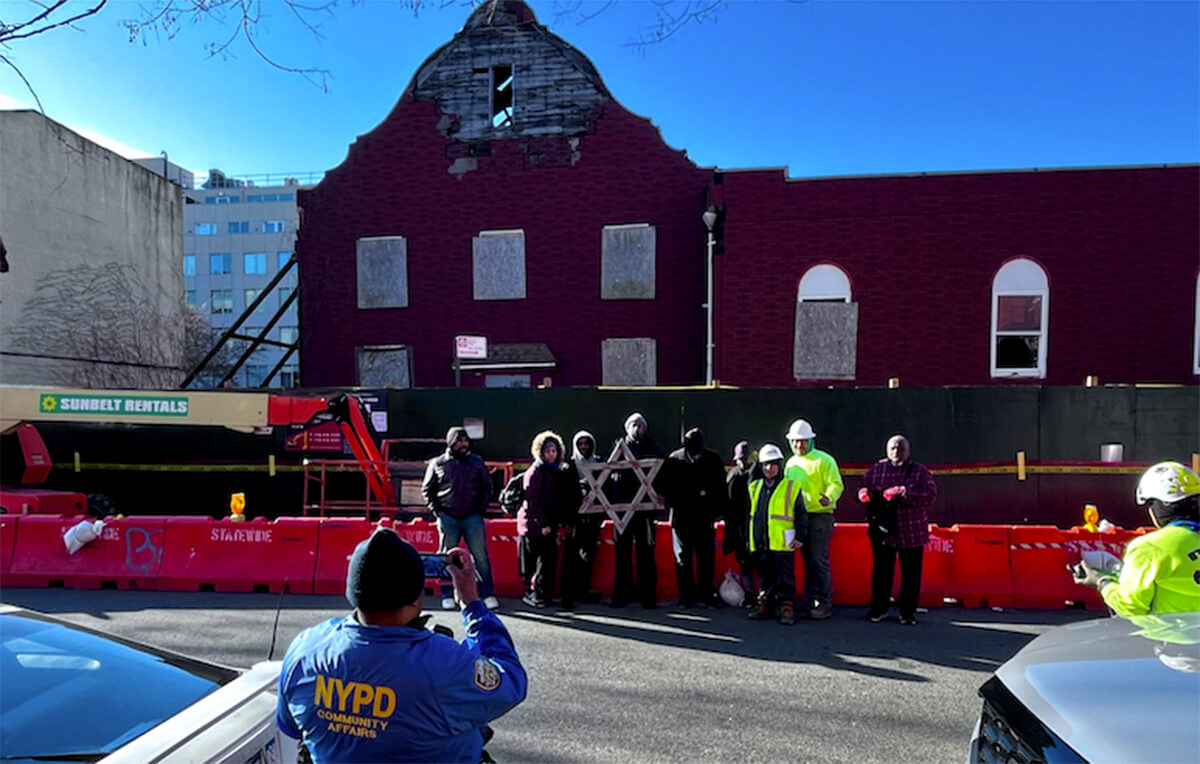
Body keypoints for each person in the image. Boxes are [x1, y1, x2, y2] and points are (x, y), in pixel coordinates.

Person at [276, 530, 527, 763]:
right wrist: (472, 606)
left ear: (353, 591)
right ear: (417, 599)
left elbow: (290, 726)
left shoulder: (305, 649)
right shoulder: (448, 664)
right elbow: (511, 681)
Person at [1074, 461, 1200, 617]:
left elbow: (1130, 606)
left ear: (1156, 506)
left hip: (1171, 638)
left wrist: (1102, 582)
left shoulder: (1149, 548)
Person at [857, 434, 939, 625]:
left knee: (911, 575)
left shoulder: (919, 471)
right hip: (884, 530)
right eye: (893, 448)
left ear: (908, 451)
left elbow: (931, 495)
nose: (896, 452)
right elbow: (862, 485)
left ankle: (907, 612)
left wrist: (905, 493)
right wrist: (862, 493)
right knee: (881, 572)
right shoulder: (877, 469)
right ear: (887, 450)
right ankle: (878, 609)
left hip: (912, 531)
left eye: (900, 448)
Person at [422, 426, 500, 610]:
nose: (463, 444)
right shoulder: (438, 462)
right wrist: (438, 512)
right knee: (446, 558)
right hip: (447, 517)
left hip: (473, 517)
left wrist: (480, 509)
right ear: (450, 442)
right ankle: (447, 595)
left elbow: (487, 487)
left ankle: (487, 593)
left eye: (465, 440)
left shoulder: (477, 462)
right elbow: (427, 489)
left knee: (480, 557)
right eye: (459, 440)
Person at [784, 418, 844, 620]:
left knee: (819, 561)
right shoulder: (791, 463)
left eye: (803, 441)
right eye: (795, 441)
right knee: (807, 560)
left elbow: (836, 483)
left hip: (820, 516)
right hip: (800, 517)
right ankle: (810, 600)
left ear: (811, 441)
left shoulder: (824, 460)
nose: (799, 445)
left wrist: (829, 497)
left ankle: (825, 603)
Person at [663, 427, 727, 607]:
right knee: (682, 557)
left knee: (706, 558)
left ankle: (706, 594)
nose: (696, 456)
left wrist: (716, 512)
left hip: (704, 517)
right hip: (681, 517)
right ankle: (686, 596)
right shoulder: (674, 459)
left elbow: (721, 488)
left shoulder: (713, 459)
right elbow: (665, 487)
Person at [607, 412, 664, 608]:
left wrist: (658, 498)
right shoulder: (618, 449)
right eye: (634, 425)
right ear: (627, 427)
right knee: (622, 554)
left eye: (641, 425)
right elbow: (608, 476)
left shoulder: (652, 448)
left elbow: (660, 474)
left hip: (645, 511)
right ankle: (621, 595)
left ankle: (647, 596)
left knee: (646, 553)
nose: (638, 428)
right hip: (622, 510)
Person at [747, 444, 808, 625]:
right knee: (765, 576)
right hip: (762, 540)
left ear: (779, 465)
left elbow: (801, 515)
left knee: (784, 577)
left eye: (773, 464)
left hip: (783, 541)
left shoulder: (792, 487)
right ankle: (765, 604)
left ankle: (786, 607)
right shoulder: (755, 486)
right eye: (765, 464)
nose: (768, 468)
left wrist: (800, 537)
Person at [517, 430, 576, 608]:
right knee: (537, 563)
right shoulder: (536, 472)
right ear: (540, 452)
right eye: (548, 451)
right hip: (535, 526)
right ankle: (533, 593)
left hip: (548, 524)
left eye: (554, 451)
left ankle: (543, 594)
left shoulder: (554, 471)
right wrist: (542, 523)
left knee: (548, 561)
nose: (551, 454)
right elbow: (532, 500)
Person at [561, 430, 604, 608]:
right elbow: (563, 494)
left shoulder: (599, 463)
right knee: (570, 557)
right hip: (575, 517)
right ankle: (567, 596)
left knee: (589, 555)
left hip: (593, 517)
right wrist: (567, 520)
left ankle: (583, 591)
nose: (584, 447)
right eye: (581, 444)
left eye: (587, 443)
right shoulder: (568, 466)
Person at [724, 440, 758, 607]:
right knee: (746, 562)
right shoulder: (733, 476)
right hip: (740, 526)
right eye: (741, 459)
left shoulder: (753, 474)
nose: (744, 462)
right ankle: (751, 594)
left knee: (756, 561)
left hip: (751, 525)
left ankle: (759, 594)